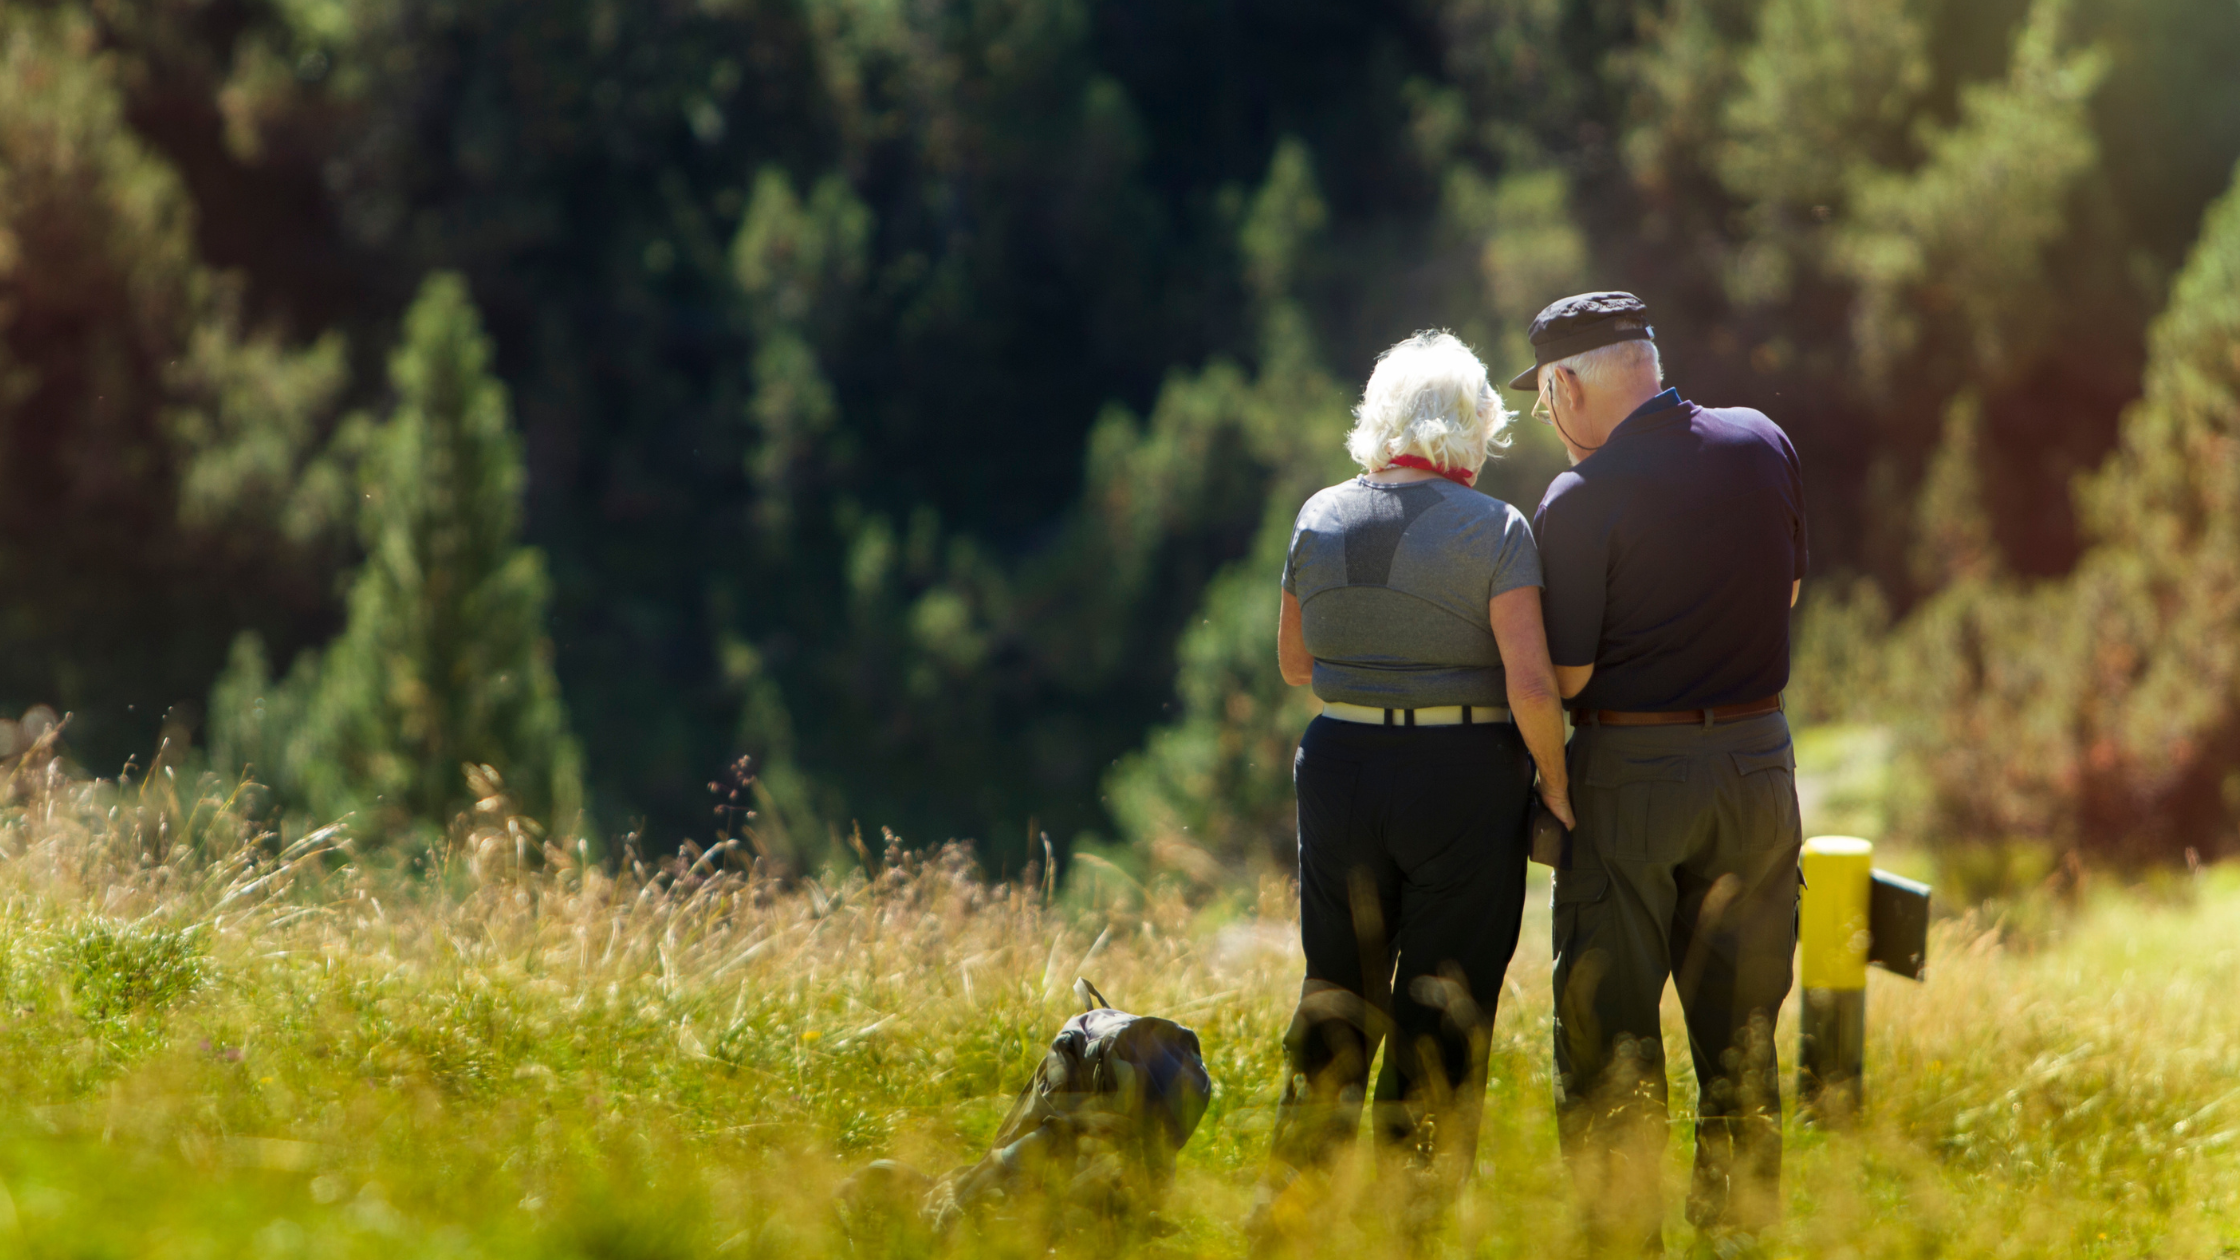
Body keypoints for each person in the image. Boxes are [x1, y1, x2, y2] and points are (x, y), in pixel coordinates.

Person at [1509, 292, 1807, 1252]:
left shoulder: (1580, 499)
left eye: (1543, 401)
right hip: (1760, 765)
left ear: (1564, 384)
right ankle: (1739, 1239)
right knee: (1745, 1037)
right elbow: (1790, 588)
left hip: (1632, 777)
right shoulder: (1762, 442)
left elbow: (1567, 675)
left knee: (1610, 1042)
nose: (1547, 422)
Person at [1255, 331, 1573, 1224]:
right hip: (1461, 776)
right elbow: (1532, 684)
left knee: (1336, 994)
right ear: (1474, 426)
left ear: (1381, 418)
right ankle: (1409, 1229)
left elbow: (1293, 663)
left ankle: (1287, 1218)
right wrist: (1556, 781)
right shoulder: (1497, 529)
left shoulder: (1317, 515)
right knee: (1444, 1010)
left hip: (1341, 766)